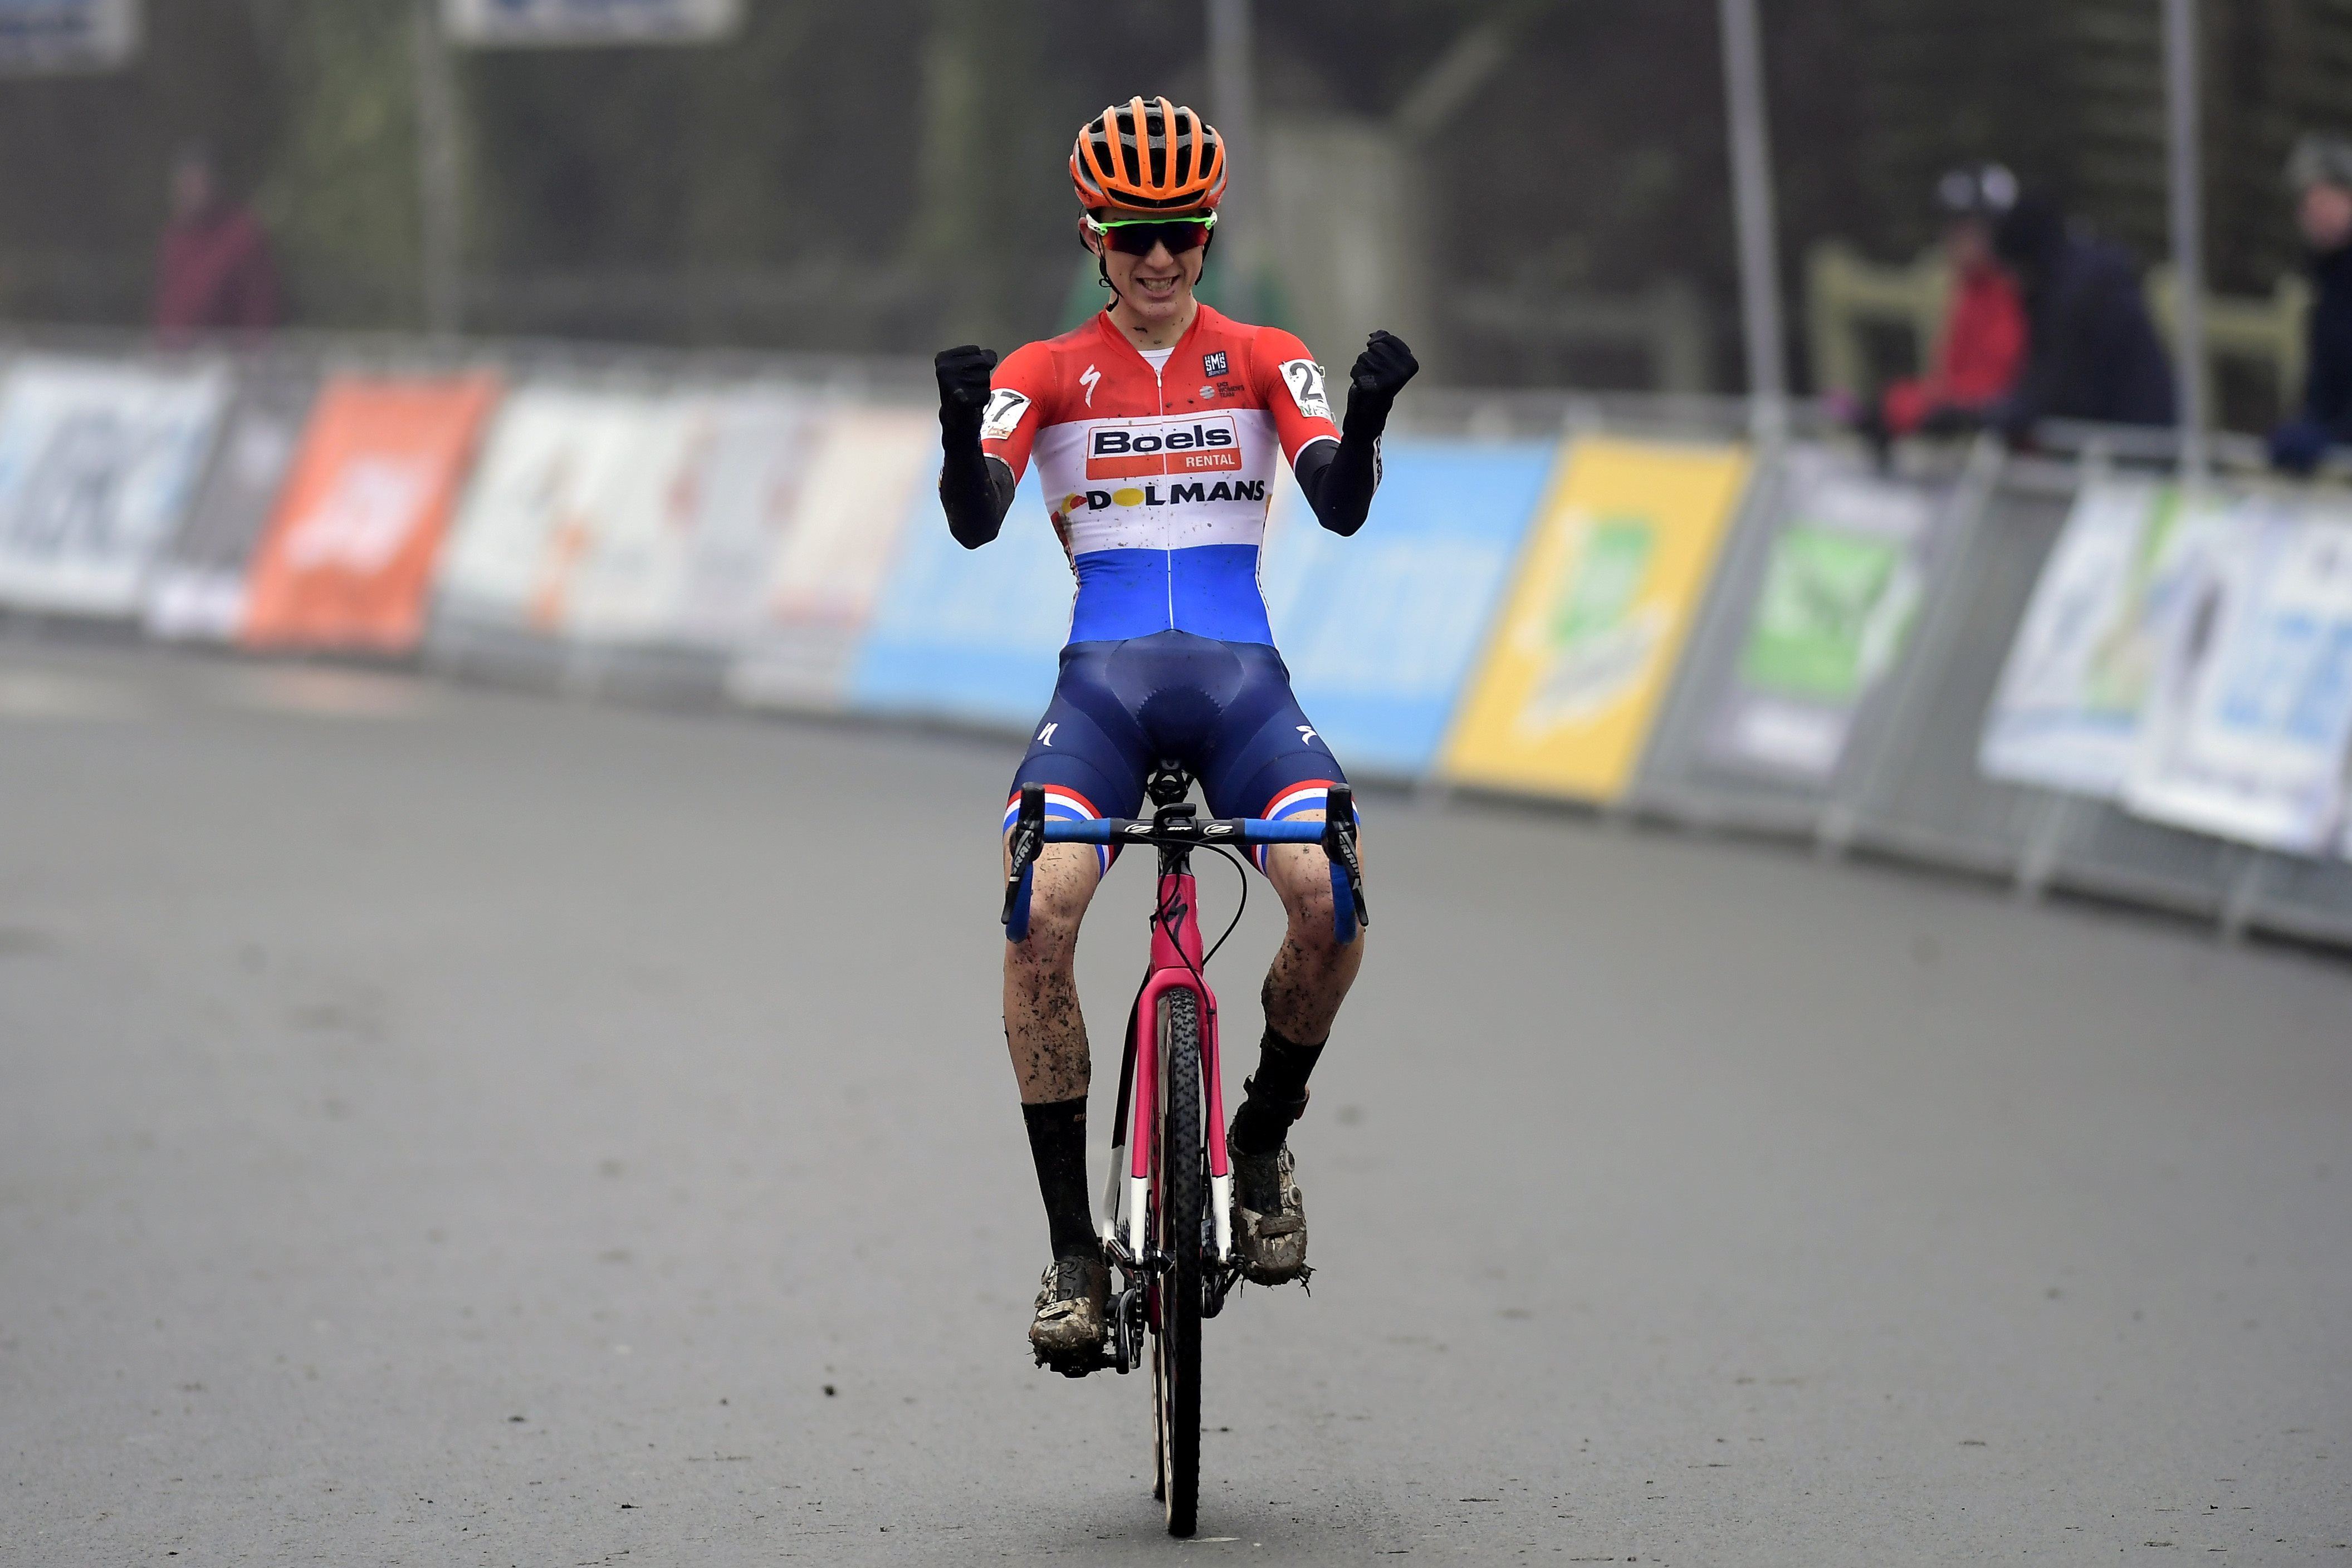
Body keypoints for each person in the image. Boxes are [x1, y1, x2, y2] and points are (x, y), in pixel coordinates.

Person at [932, 96, 1417, 1368]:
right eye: (1138, 236)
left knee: (1328, 897)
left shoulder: (1264, 353)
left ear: (1208, 235)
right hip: (1099, 693)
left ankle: (1255, 1145)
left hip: (1242, 689)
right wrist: (955, 436)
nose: (1160, 261)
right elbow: (980, 516)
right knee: (1038, 913)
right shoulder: (1045, 372)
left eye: (1184, 236)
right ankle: (1075, 1260)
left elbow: (1339, 504)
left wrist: (1360, 424)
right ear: (1097, 236)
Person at [1985, 192, 2175, 440]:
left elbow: (2055, 388)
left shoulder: (2073, 296)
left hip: (2129, 443)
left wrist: (1985, 417)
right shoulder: (2087, 275)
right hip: (2141, 430)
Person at [1871, 163, 2028, 439]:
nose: (1952, 238)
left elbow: (1989, 389)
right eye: (1950, 226)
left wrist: (1912, 407)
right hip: (1970, 436)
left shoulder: (2014, 293)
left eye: (1966, 226)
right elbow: (1953, 381)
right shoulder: (1968, 290)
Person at [2268, 133, 2352, 474]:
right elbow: (2325, 381)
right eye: (2308, 204)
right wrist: (2313, 423)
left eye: (2327, 198)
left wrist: (2336, 436)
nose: (2317, 213)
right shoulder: (2325, 286)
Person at [152, 143, 280, 341]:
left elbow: (259, 306)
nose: (190, 191)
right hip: (176, 360)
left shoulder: (241, 234)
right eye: (185, 183)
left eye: (197, 182)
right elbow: (169, 306)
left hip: (226, 359)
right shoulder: (174, 237)